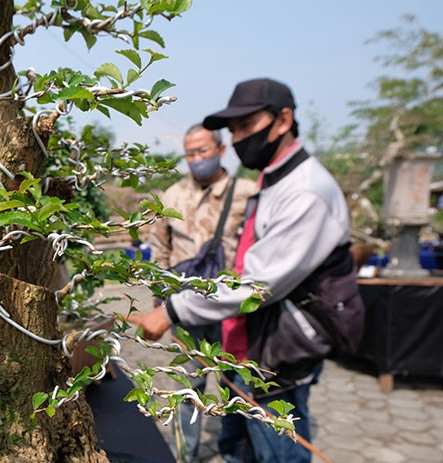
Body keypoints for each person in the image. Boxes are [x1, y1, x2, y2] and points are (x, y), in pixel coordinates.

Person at [130, 78, 354, 462]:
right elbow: (161, 246)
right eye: (233, 130)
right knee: (231, 437)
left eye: (247, 126)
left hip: (275, 349)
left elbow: (257, 284)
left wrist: (171, 311)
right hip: (243, 336)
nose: (238, 139)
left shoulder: (303, 191)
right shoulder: (272, 180)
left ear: (283, 120)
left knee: (276, 451)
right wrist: (163, 293)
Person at [147, 124, 256, 462]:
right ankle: (184, 455)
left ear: (221, 150)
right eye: (189, 153)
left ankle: (235, 451)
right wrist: (160, 297)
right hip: (184, 307)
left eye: (202, 151)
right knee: (186, 385)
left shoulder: (247, 193)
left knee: (235, 385)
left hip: (232, 309)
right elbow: (159, 248)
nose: (195, 159)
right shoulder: (172, 196)